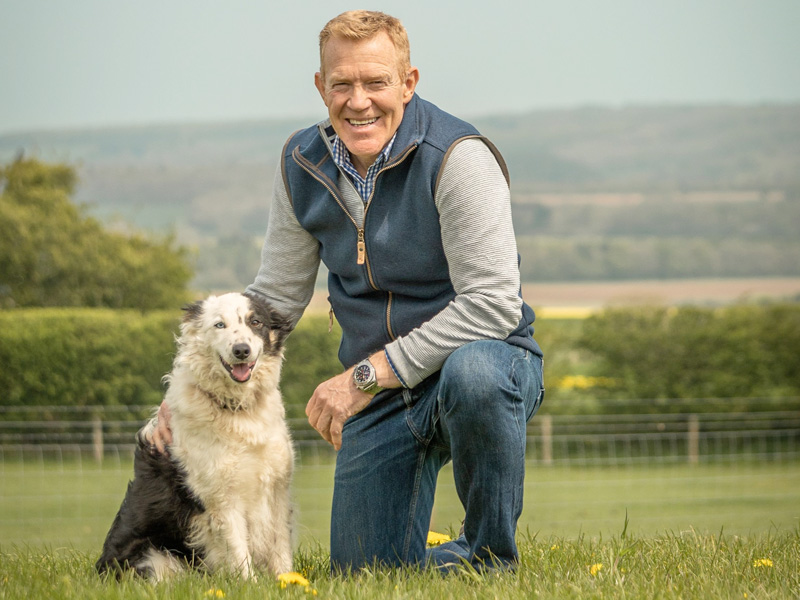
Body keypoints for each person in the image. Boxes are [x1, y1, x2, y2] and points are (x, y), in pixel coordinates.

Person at [151, 9, 544, 573]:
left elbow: (493, 304)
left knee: (476, 374)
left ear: (408, 83)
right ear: (321, 87)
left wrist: (365, 376)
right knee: (365, 574)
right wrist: (183, 389)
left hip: (476, 366)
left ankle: (489, 554)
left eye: (377, 82)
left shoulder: (458, 158)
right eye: (342, 84)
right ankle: (443, 564)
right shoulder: (301, 163)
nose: (359, 101)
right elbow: (275, 302)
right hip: (384, 398)